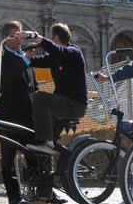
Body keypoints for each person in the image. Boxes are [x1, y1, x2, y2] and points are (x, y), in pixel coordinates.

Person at [0, 21, 38, 204]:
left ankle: (37, 192)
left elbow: (33, 84)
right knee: (8, 156)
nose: (19, 40)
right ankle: (13, 195)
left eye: (20, 35)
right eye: (15, 36)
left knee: (33, 153)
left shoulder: (25, 57)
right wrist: (25, 58)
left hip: (28, 113)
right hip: (9, 113)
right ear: (6, 38)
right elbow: (9, 78)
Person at [18, 23, 87, 157]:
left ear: (55, 38)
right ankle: (47, 146)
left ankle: (46, 141)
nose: (49, 39)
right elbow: (36, 62)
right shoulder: (56, 57)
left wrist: (37, 38)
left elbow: (59, 51)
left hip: (75, 104)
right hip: (62, 103)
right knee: (33, 105)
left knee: (39, 97)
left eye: (50, 36)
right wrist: (26, 55)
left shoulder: (73, 52)